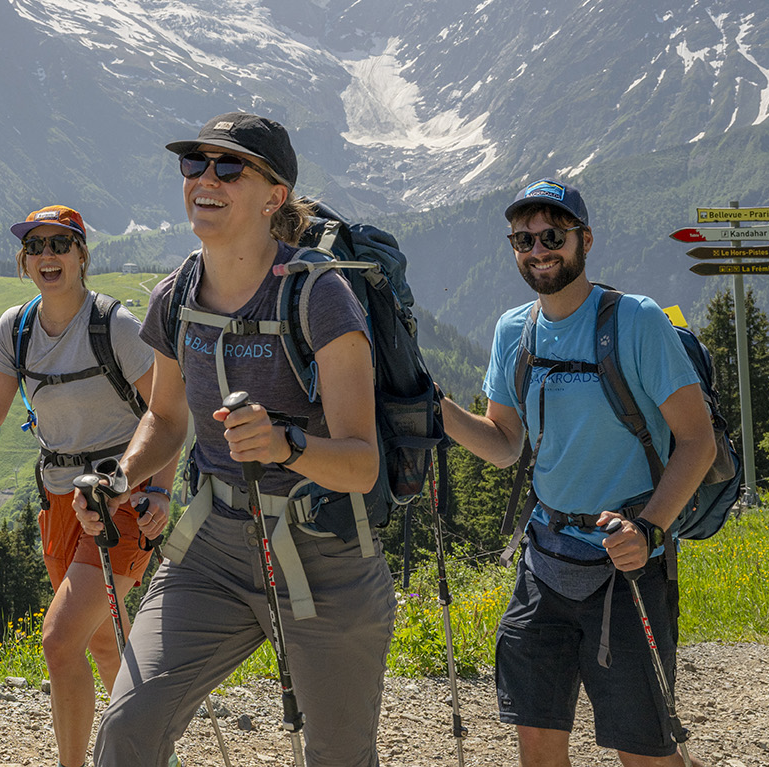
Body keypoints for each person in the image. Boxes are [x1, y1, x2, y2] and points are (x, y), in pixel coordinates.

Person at [80, 112, 395, 767]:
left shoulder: (319, 295)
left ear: (273, 194)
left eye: (229, 166)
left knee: (339, 756)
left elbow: (363, 464)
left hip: (325, 556)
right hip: (213, 548)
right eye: (194, 164)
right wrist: (118, 477)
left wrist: (285, 444)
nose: (204, 178)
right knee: (127, 729)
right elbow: (165, 420)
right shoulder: (177, 293)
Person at [437, 178, 716, 766]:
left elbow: (697, 442)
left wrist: (650, 530)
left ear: (584, 240)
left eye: (553, 236)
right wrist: (436, 411)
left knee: (645, 749)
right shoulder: (514, 331)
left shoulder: (635, 321)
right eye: (523, 239)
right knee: (536, 740)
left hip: (628, 564)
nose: (538, 250)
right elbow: (506, 443)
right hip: (544, 562)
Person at [0, 204, 176, 767]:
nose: (47, 256)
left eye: (60, 244)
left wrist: (158, 490)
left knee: (60, 642)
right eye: (36, 247)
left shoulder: (117, 326)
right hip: (60, 498)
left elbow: (168, 414)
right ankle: (150, 753)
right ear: (23, 261)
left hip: (120, 497)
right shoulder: (17, 327)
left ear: (82, 255)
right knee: (103, 640)